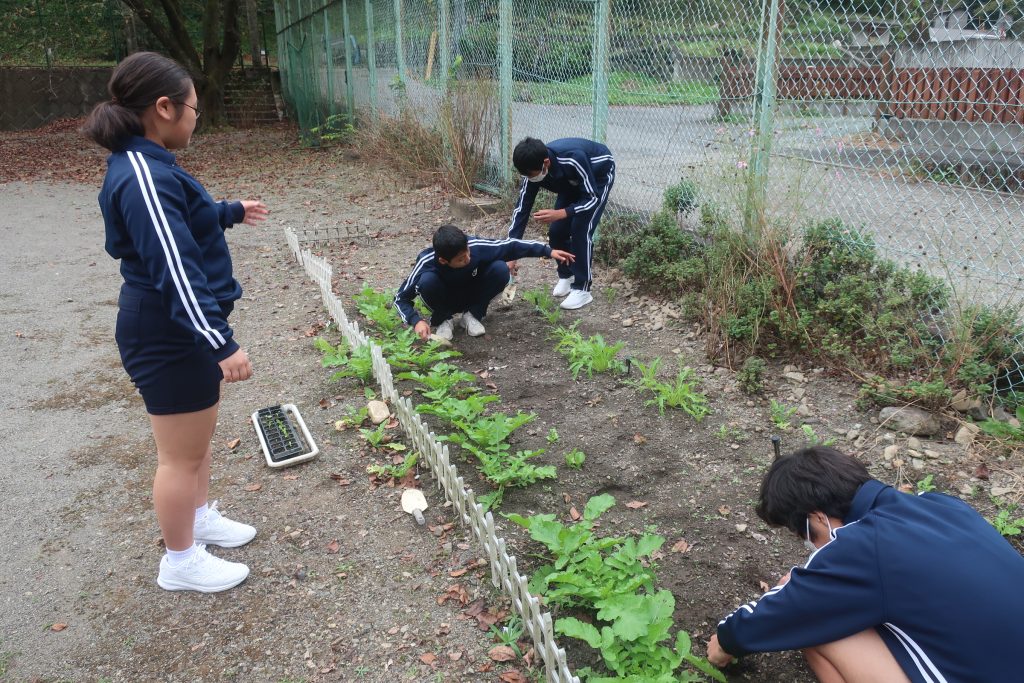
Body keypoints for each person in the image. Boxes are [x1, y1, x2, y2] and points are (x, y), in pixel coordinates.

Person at [83, 52, 269, 593]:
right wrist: (220, 341)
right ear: (163, 107)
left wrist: (229, 210)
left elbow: (183, 218)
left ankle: (198, 516)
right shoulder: (142, 172)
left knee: (196, 441)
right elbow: (174, 265)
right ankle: (180, 559)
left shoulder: (151, 161)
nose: (196, 117)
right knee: (178, 456)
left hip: (173, 328)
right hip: (167, 330)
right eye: (193, 107)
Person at [707, 446, 1024, 683]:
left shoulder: (864, 544)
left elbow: (783, 615)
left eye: (803, 535)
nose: (810, 545)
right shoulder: (941, 504)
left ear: (817, 517)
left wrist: (724, 642)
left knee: (815, 624)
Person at [394, 224, 574, 341]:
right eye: (461, 259)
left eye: (468, 253)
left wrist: (547, 251)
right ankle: (444, 320)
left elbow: (510, 246)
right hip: (444, 297)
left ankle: (472, 315)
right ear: (443, 260)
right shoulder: (426, 263)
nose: (467, 258)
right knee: (427, 281)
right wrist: (415, 321)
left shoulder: (475, 246)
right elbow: (400, 298)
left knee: (500, 269)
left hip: (472, 292)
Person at [506, 137, 615, 311]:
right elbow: (521, 210)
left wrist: (561, 213)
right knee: (557, 232)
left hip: (597, 176)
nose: (530, 178)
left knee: (580, 229)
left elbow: (592, 198)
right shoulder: (532, 171)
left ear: (546, 163)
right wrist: (510, 253)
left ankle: (582, 288)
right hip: (570, 183)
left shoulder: (572, 158)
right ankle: (567, 275)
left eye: (532, 175)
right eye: (526, 175)